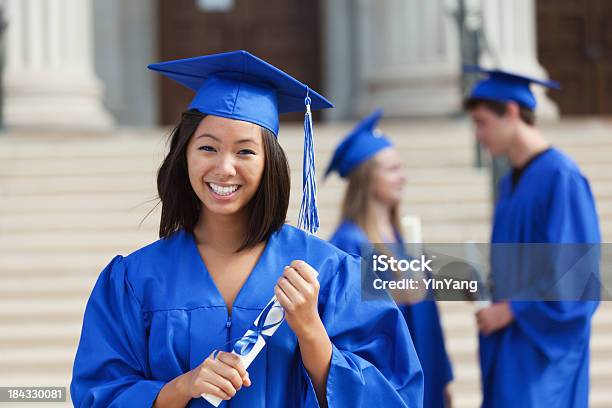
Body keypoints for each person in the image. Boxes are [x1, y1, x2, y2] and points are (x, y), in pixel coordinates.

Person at [70, 50, 424, 408]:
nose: (224, 168)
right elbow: (99, 394)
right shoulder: (134, 280)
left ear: (269, 161)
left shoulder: (331, 271)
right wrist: (181, 388)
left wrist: (311, 332)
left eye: (245, 152)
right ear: (184, 155)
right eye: (208, 147)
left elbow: (396, 396)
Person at [464, 67, 601, 407]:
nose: (478, 135)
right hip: (510, 346)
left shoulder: (561, 177)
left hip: (543, 356)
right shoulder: (511, 183)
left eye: (482, 123)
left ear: (511, 112)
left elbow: (580, 278)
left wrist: (511, 311)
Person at [327, 109, 453, 408]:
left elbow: (430, 317)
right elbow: (342, 319)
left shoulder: (402, 238)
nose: (403, 177)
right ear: (368, 178)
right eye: (393, 169)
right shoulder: (348, 243)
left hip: (424, 373)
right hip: (386, 381)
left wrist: (443, 378)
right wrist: (394, 295)